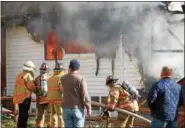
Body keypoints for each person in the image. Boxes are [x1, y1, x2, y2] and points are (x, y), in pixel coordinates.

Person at [61, 59, 92, 128]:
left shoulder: (62, 78)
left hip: (66, 108)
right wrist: (88, 108)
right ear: (78, 68)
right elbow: (85, 95)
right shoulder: (81, 79)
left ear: (69, 67)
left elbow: (62, 91)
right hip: (78, 108)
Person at [13, 61, 38, 128]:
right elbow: (31, 87)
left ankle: (20, 126)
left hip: (19, 98)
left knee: (21, 115)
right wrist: (38, 90)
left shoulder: (19, 74)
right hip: (25, 98)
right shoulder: (28, 75)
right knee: (24, 115)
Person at [47, 62, 65, 128]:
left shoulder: (49, 79)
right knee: (60, 115)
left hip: (51, 100)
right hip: (58, 100)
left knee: (53, 115)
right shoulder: (61, 78)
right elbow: (62, 89)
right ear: (62, 70)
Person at [35, 63, 51, 128]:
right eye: (43, 69)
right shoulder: (50, 77)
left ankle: (48, 125)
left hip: (45, 99)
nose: (43, 70)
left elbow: (34, 89)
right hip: (44, 99)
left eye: (44, 69)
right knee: (42, 114)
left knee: (46, 114)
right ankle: (42, 125)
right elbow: (35, 89)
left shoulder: (37, 78)